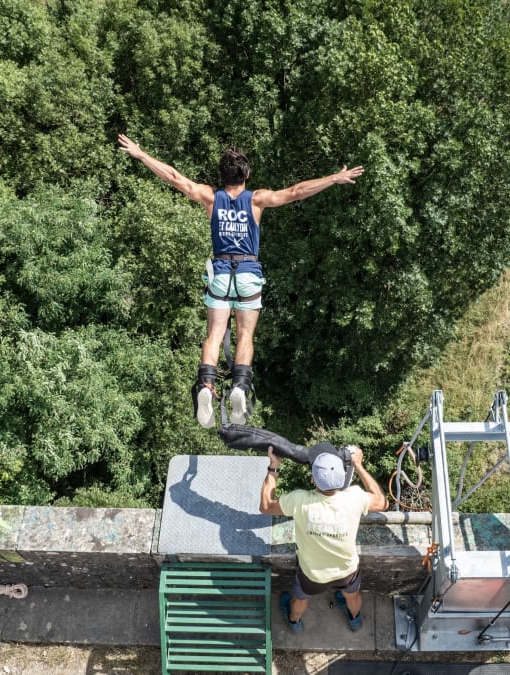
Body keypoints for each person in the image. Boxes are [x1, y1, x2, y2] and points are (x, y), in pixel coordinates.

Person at [118, 134, 364, 428]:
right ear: (246, 174)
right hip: (248, 274)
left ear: (222, 176)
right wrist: (334, 178)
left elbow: (174, 178)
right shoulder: (256, 199)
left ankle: (207, 386)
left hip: (221, 273)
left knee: (213, 334)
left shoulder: (211, 197)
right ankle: (239, 387)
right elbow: (297, 191)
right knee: (245, 337)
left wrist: (141, 155)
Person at [259, 443, 389, 633]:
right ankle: (355, 621)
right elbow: (382, 502)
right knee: (352, 595)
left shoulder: (300, 501)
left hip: (313, 574)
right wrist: (359, 465)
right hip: (346, 570)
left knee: (301, 598)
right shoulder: (354, 498)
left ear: (313, 479)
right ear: (343, 476)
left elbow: (266, 506)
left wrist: (274, 467)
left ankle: (295, 623)